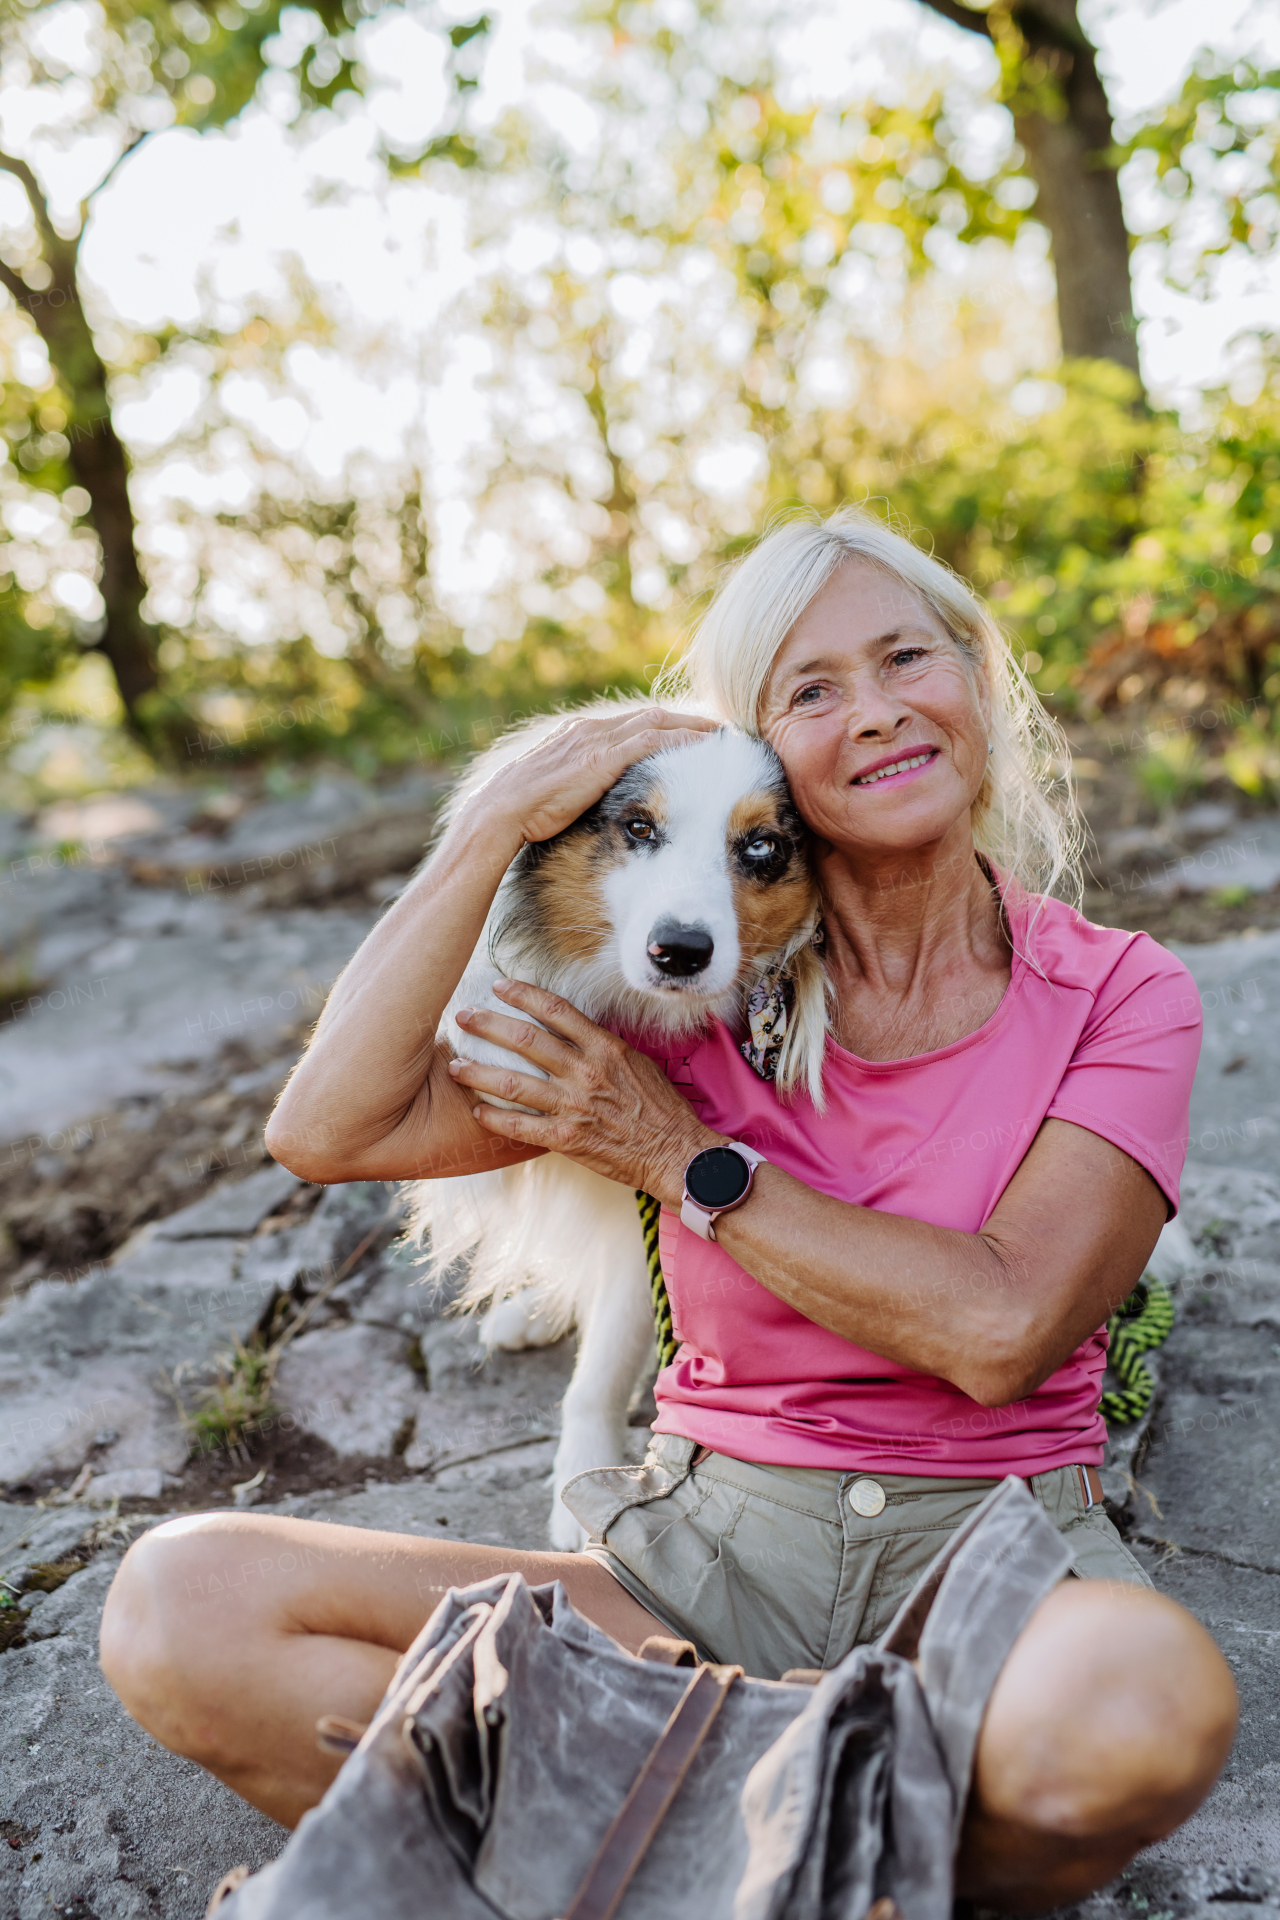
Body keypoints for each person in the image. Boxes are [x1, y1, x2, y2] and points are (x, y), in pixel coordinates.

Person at [101, 508, 1236, 1912]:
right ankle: (811, 1823)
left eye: (906, 659)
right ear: (757, 744)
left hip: (993, 1551)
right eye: (812, 690)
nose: (874, 712)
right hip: (696, 1570)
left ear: (977, 681)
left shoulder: (1122, 993)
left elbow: (1001, 1328)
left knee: (1143, 1706)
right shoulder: (681, 989)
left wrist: (678, 1156)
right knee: (178, 1603)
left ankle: (635, 1814)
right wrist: (493, 821)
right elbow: (330, 1129)